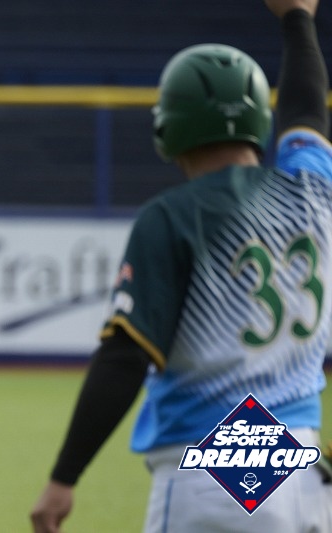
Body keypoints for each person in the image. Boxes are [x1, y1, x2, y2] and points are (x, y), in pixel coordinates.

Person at [31, 0, 332, 531]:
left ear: (169, 126)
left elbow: (125, 357)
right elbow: (308, 109)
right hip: (305, 471)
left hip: (217, 469)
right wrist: (298, 19)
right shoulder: (313, 192)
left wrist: (64, 476)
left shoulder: (173, 216)